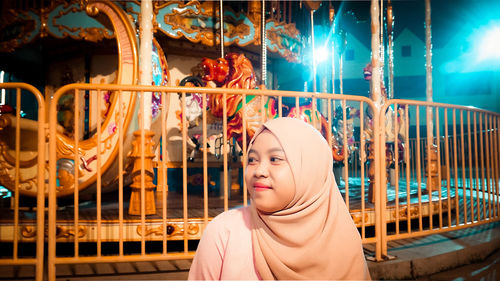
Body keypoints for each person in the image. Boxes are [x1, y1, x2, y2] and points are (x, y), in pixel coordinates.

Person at [188, 117, 371, 280]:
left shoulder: (344, 242)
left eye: (275, 159)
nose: (258, 171)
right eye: (252, 159)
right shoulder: (224, 233)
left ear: (309, 169)